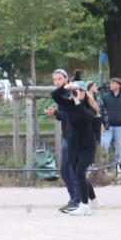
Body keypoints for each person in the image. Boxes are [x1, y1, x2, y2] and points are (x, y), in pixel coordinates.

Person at [52, 81, 101, 215]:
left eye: (81, 91)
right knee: (80, 175)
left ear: (85, 92)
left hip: (87, 147)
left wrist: (78, 100)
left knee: (79, 173)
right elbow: (55, 96)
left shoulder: (90, 108)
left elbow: (85, 117)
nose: (77, 93)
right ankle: (94, 200)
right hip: (74, 145)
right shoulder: (70, 105)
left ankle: (84, 206)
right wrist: (65, 87)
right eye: (76, 91)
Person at [46, 69, 80, 209]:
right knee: (64, 171)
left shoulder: (72, 93)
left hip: (76, 137)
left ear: (66, 78)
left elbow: (73, 117)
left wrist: (56, 113)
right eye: (55, 80)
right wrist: (56, 113)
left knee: (73, 171)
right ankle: (74, 198)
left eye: (60, 79)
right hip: (67, 136)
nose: (57, 82)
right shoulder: (61, 93)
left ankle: (78, 201)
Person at [100, 77, 121, 168]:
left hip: (120, 127)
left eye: (112, 84)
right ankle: (105, 166)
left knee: (119, 147)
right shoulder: (105, 97)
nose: (111, 85)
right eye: (110, 84)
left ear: (118, 85)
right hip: (107, 127)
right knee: (104, 145)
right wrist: (103, 122)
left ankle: (117, 166)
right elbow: (101, 110)